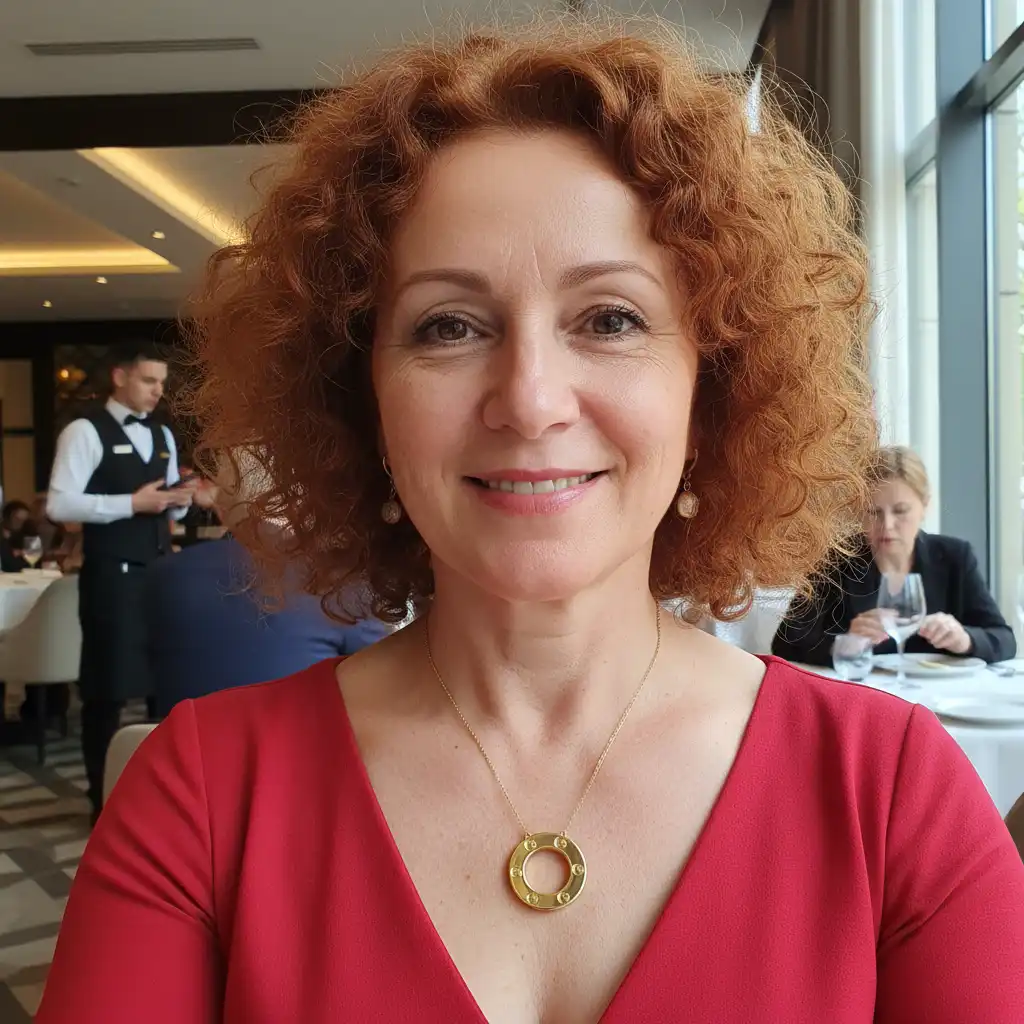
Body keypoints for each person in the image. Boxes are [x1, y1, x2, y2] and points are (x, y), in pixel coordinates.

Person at [37, 23, 1024, 1024]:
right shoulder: (202, 798)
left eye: (610, 318)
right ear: (360, 402)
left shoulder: (893, 794)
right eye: (449, 326)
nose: (531, 400)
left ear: (713, 393)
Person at [45, 345, 196, 825]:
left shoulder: (163, 433)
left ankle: (159, 805)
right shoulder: (85, 431)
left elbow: (168, 506)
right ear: (119, 377)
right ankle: (102, 803)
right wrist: (130, 503)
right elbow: (59, 505)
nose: (158, 391)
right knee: (106, 691)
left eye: (161, 383)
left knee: (162, 690)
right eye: (149, 381)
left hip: (159, 575)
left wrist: (180, 499)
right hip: (111, 576)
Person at [144, 454, 390, 717]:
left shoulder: (164, 575)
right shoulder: (337, 575)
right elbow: (386, 676)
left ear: (221, 509)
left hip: (184, 739)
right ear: (302, 503)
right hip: (300, 737)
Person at [772, 446, 1016, 666]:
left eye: (900, 511)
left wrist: (966, 639)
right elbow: (785, 644)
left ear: (925, 506)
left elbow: (1004, 639)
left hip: (942, 693)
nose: (887, 526)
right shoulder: (836, 559)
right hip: (865, 692)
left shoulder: (956, 557)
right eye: (874, 512)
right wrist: (846, 643)